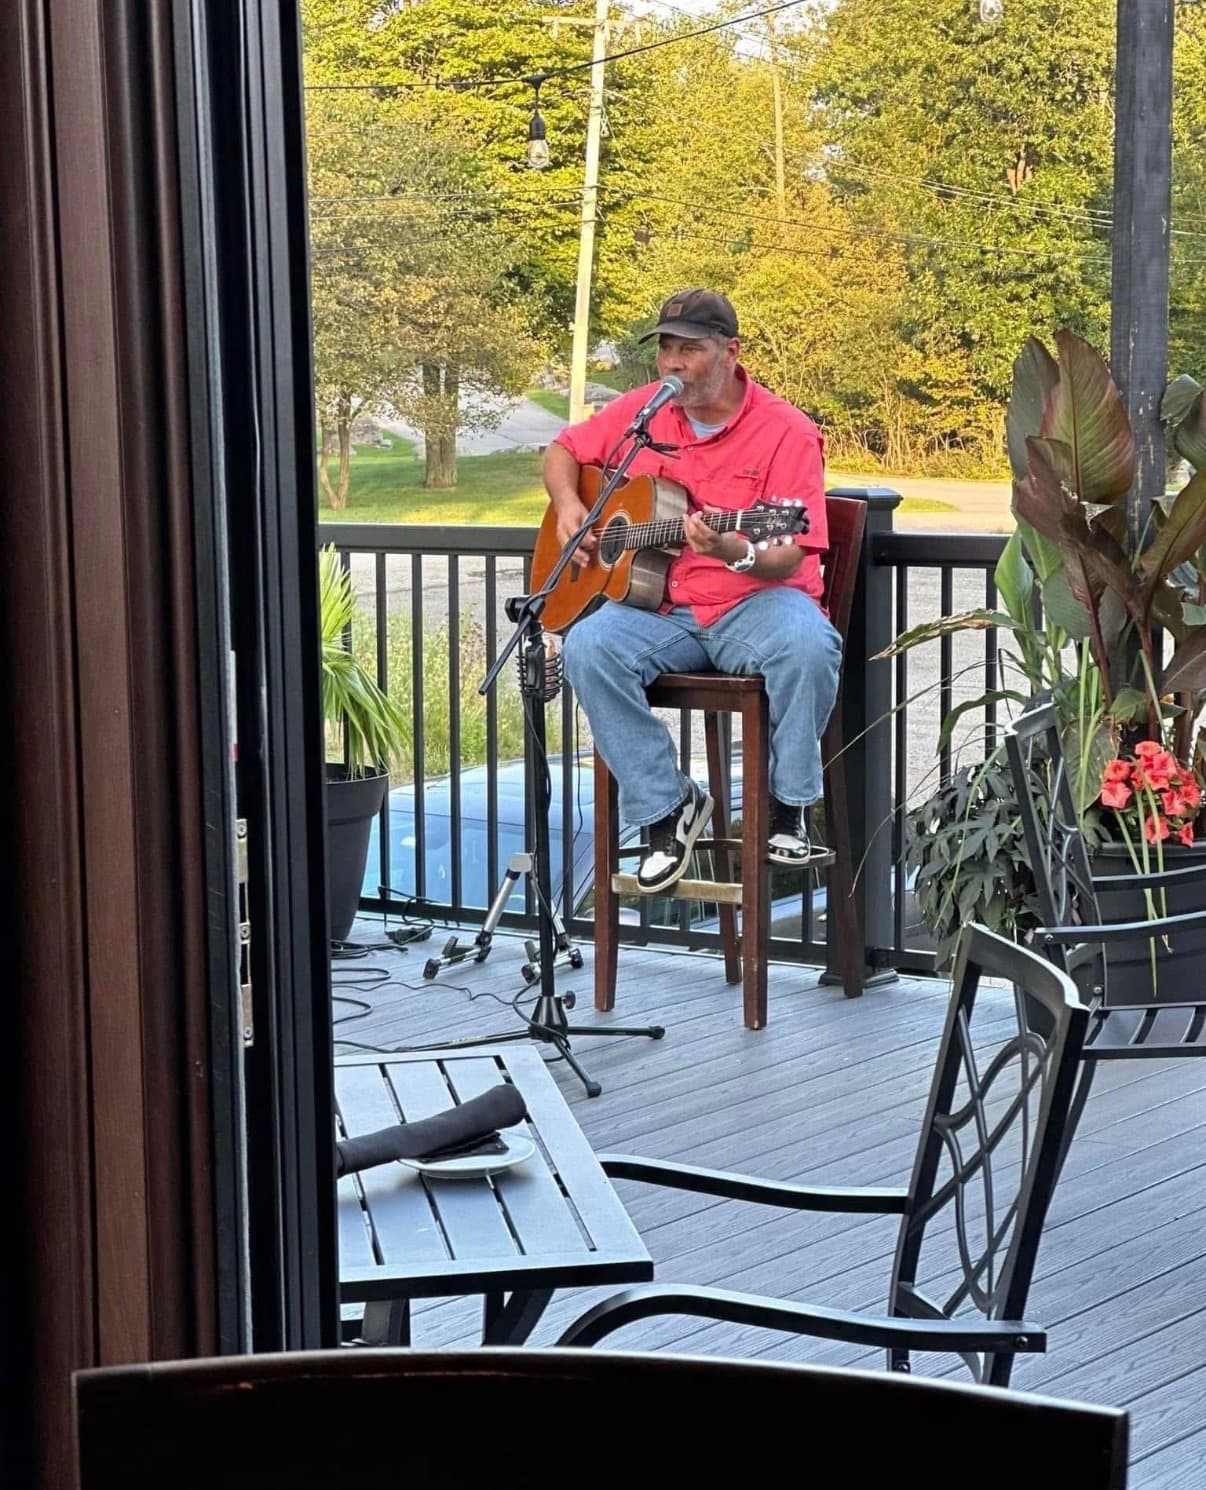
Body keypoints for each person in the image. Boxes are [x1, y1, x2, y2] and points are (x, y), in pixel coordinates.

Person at [543, 288, 841, 894]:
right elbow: (562, 449)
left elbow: (788, 551)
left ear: (730, 352)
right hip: (666, 606)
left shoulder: (787, 432)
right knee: (588, 646)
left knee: (808, 643)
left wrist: (734, 548)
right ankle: (668, 807)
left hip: (755, 602)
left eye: (691, 350)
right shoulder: (644, 412)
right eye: (666, 351)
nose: (673, 364)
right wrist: (571, 506)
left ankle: (789, 807)